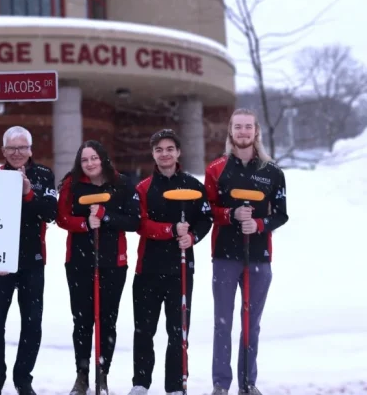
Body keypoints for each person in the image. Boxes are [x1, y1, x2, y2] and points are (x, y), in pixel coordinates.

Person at [205, 108, 288, 395]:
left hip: (259, 258)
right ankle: (220, 384)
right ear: (230, 131)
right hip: (225, 256)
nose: (243, 132)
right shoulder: (216, 169)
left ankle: (248, 383)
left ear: (256, 131)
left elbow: (281, 214)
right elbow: (207, 210)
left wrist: (260, 224)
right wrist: (231, 215)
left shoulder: (272, 172)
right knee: (223, 323)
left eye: (248, 127)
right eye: (238, 127)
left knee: (251, 324)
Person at [127, 129, 213, 395]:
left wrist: (192, 236)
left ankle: (175, 385)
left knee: (178, 331)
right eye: (159, 150)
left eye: (169, 149)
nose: (164, 154)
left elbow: (206, 218)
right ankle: (141, 383)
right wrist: (170, 230)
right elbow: (140, 224)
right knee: (144, 330)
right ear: (153, 154)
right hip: (148, 269)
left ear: (178, 152)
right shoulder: (143, 188)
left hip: (181, 269)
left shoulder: (193, 186)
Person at [55, 140, 140, 395]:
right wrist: (84, 224)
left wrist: (106, 216)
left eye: (94, 158)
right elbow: (61, 217)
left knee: (107, 320)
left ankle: (102, 374)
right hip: (79, 261)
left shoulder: (121, 183)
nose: (90, 163)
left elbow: (134, 221)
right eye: (84, 160)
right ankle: (82, 374)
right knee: (82, 320)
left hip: (113, 262)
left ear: (103, 159)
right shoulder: (71, 184)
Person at [0, 126, 57, 395]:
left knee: (32, 322)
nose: (17, 153)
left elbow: (50, 213)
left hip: (31, 260)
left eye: (22, 147)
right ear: (3, 151)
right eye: (12, 148)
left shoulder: (44, 175)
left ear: (30, 150)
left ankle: (23, 378)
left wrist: (27, 193)